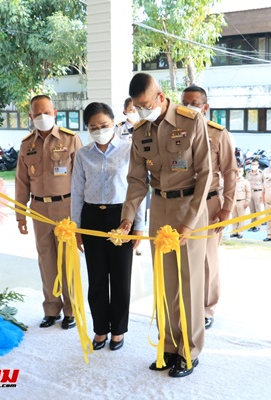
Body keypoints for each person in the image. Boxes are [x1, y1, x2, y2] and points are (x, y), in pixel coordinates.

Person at [118, 72, 212, 378]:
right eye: (137, 106)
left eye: (145, 104)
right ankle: (169, 347)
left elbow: (205, 174)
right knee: (164, 283)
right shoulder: (140, 130)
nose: (142, 111)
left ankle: (190, 351)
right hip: (159, 207)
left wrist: (190, 222)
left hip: (189, 210)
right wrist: (128, 219)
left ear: (160, 97)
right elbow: (135, 180)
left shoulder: (190, 120)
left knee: (188, 283)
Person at [71, 102, 145, 351]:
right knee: (97, 278)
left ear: (114, 121)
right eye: (93, 127)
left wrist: (139, 227)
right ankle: (100, 329)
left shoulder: (129, 149)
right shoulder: (83, 154)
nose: (99, 130)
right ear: (87, 128)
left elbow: (137, 189)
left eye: (103, 125)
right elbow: (77, 193)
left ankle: (119, 331)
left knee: (121, 278)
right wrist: (77, 228)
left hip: (121, 216)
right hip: (92, 217)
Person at [15, 94, 83, 329]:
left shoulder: (71, 139)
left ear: (55, 113)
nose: (42, 117)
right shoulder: (26, 145)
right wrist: (20, 214)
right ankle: (51, 309)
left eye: (47, 112)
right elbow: (21, 182)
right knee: (46, 260)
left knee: (68, 260)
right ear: (31, 116)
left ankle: (71, 309)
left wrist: (80, 215)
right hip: (39, 209)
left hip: (66, 207)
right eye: (37, 113)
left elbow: (80, 179)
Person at [181, 85, 238, 331]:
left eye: (193, 103)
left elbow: (230, 171)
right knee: (183, 256)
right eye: (184, 103)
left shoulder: (218, 133)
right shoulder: (176, 132)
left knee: (207, 259)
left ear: (205, 107)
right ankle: (187, 303)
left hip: (209, 202)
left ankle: (207, 307)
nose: (188, 107)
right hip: (182, 202)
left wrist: (227, 206)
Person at [115, 97, 148, 255]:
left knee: (140, 205)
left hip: (141, 173)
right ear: (124, 111)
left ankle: (138, 235)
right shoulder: (118, 129)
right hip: (123, 173)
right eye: (130, 110)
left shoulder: (145, 128)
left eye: (136, 109)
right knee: (127, 204)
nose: (134, 112)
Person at [229, 174, 250, 239]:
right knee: (234, 217)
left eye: (240, 171)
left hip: (241, 201)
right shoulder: (232, 181)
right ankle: (234, 232)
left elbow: (248, 192)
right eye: (237, 172)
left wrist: (247, 201)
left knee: (241, 217)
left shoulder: (245, 182)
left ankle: (240, 232)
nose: (238, 174)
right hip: (233, 201)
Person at [246, 159, 265, 232]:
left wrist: (262, 194)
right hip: (250, 192)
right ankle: (252, 225)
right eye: (252, 164)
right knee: (252, 210)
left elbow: (264, 183)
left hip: (258, 192)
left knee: (258, 210)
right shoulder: (248, 173)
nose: (253, 166)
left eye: (255, 164)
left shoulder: (261, 173)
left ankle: (257, 226)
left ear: (258, 165)